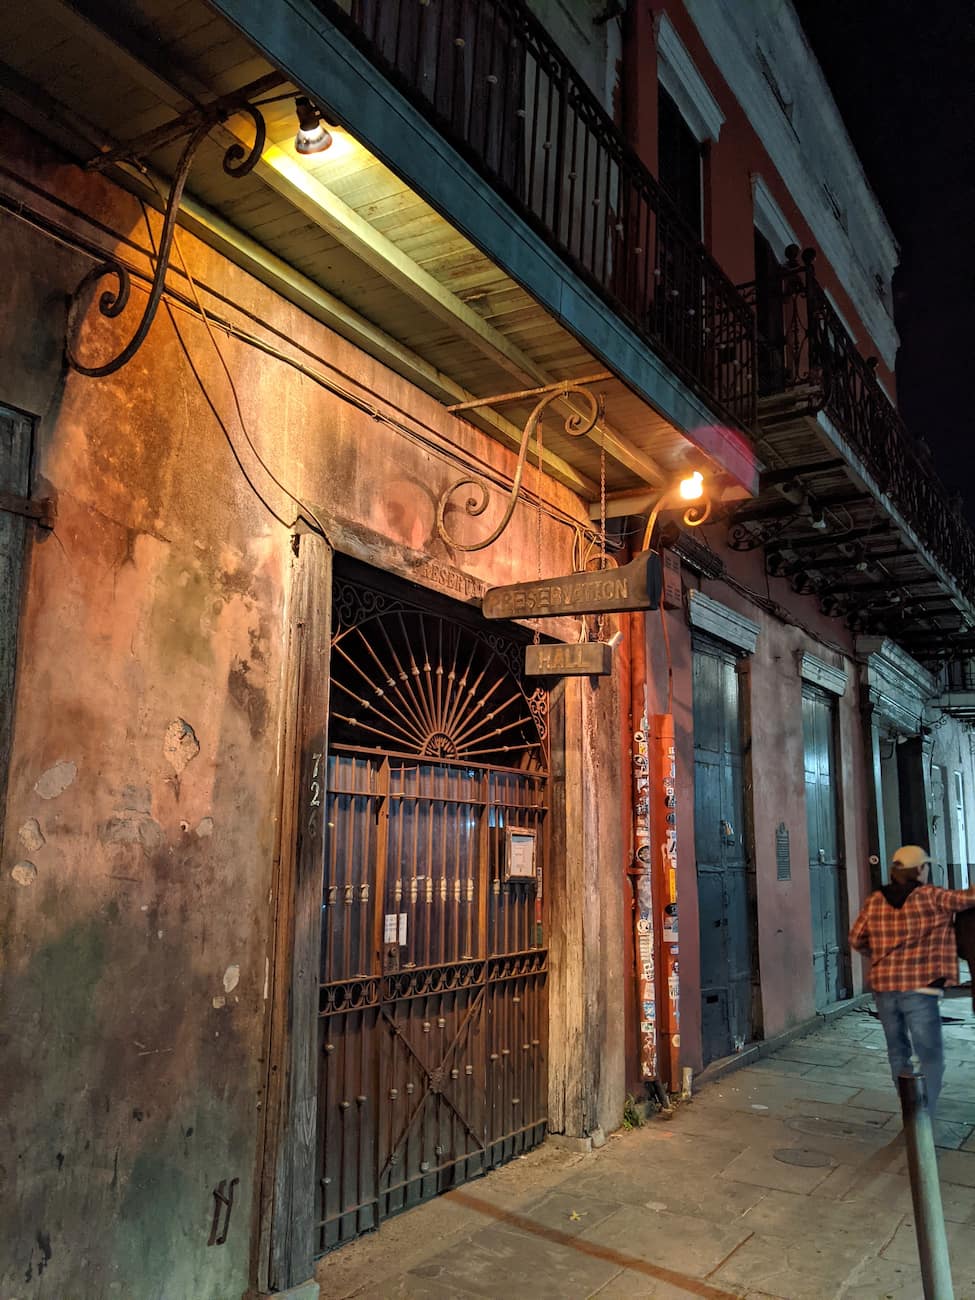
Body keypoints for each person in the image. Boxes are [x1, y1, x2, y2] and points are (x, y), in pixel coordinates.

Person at [849, 844, 975, 1115]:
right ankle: (925, 1110)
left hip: (884, 988)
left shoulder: (875, 901)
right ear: (919, 869)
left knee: (898, 1051)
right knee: (929, 1053)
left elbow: (856, 938)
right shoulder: (931, 897)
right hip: (921, 988)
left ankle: (909, 1108)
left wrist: (882, 956)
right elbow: (969, 898)